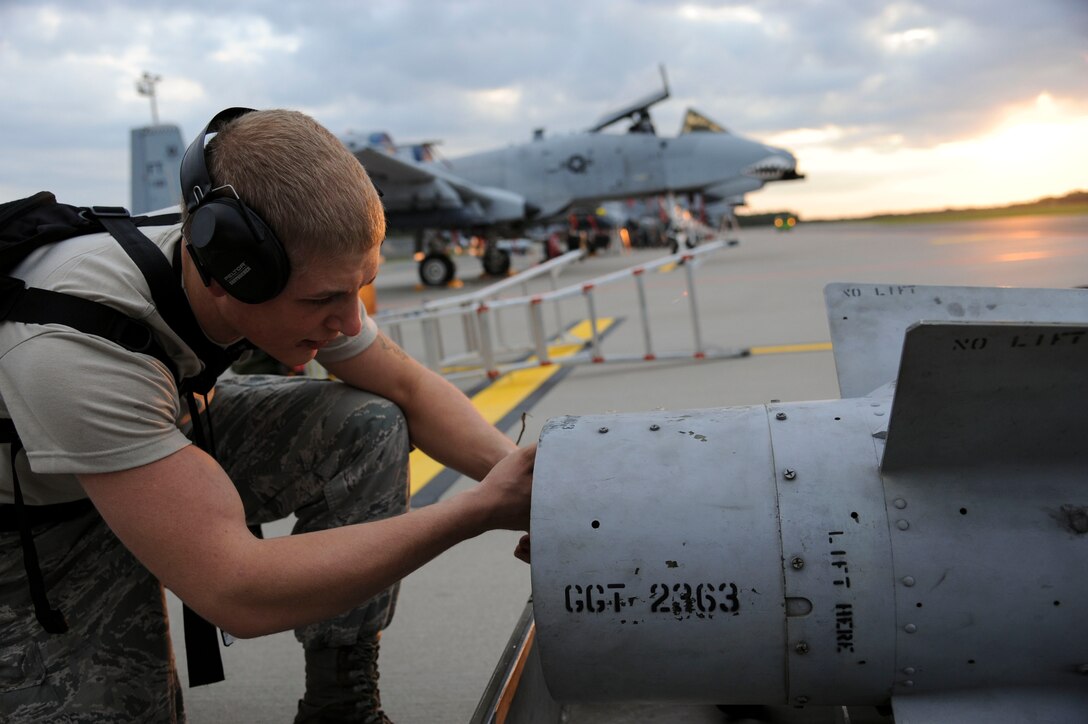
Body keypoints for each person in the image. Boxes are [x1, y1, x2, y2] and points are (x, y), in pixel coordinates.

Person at [0, 108, 534, 723]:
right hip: (34, 519)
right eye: (323, 300)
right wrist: (476, 511)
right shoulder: (76, 339)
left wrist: (524, 484)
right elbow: (236, 589)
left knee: (369, 425)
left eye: (358, 288)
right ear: (231, 277)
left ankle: (339, 706)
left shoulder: (262, 268)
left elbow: (409, 389)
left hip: (154, 431)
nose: (350, 322)